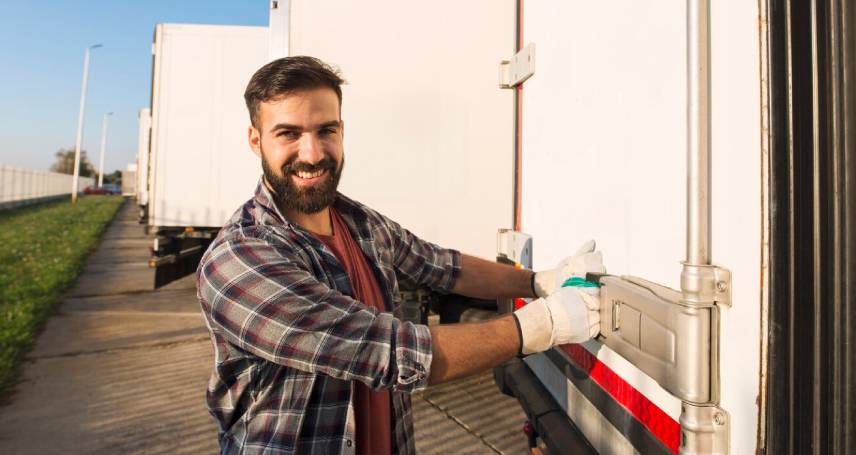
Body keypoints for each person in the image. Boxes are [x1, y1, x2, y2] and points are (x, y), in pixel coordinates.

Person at [196, 56, 605, 455]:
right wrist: (542, 325)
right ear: (256, 140)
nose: (313, 153)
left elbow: (443, 268)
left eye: (326, 130)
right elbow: (387, 351)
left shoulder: (359, 222)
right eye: (288, 133)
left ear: (342, 129)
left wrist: (539, 281)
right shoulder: (238, 259)